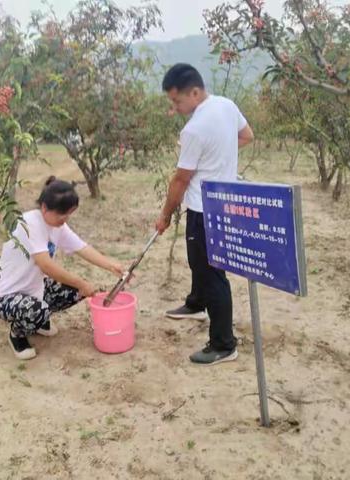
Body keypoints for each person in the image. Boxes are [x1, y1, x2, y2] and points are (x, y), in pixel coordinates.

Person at [155, 63, 254, 365]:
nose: (175, 107)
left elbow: (180, 180)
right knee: (200, 262)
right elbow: (247, 136)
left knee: (212, 273)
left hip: (202, 208)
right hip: (223, 201)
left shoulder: (194, 129)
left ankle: (224, 344)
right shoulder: (226, 105)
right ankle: (196, 304)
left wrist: (165, 215)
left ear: (195, 92)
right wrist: (218, 152)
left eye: (177, 101)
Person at [0, 176, 124, 360]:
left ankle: (38, 321)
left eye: (69, 214)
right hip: (6, 297)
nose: (65, 219)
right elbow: (46, 265)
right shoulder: (29, 223)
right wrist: (81, 282)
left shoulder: (58, 226)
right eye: (62, 214)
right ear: (44, 208)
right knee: (38, 309)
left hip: (34, 289)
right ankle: (17, 335)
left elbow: (82, 248)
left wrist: (111, 266)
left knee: (76, 290)